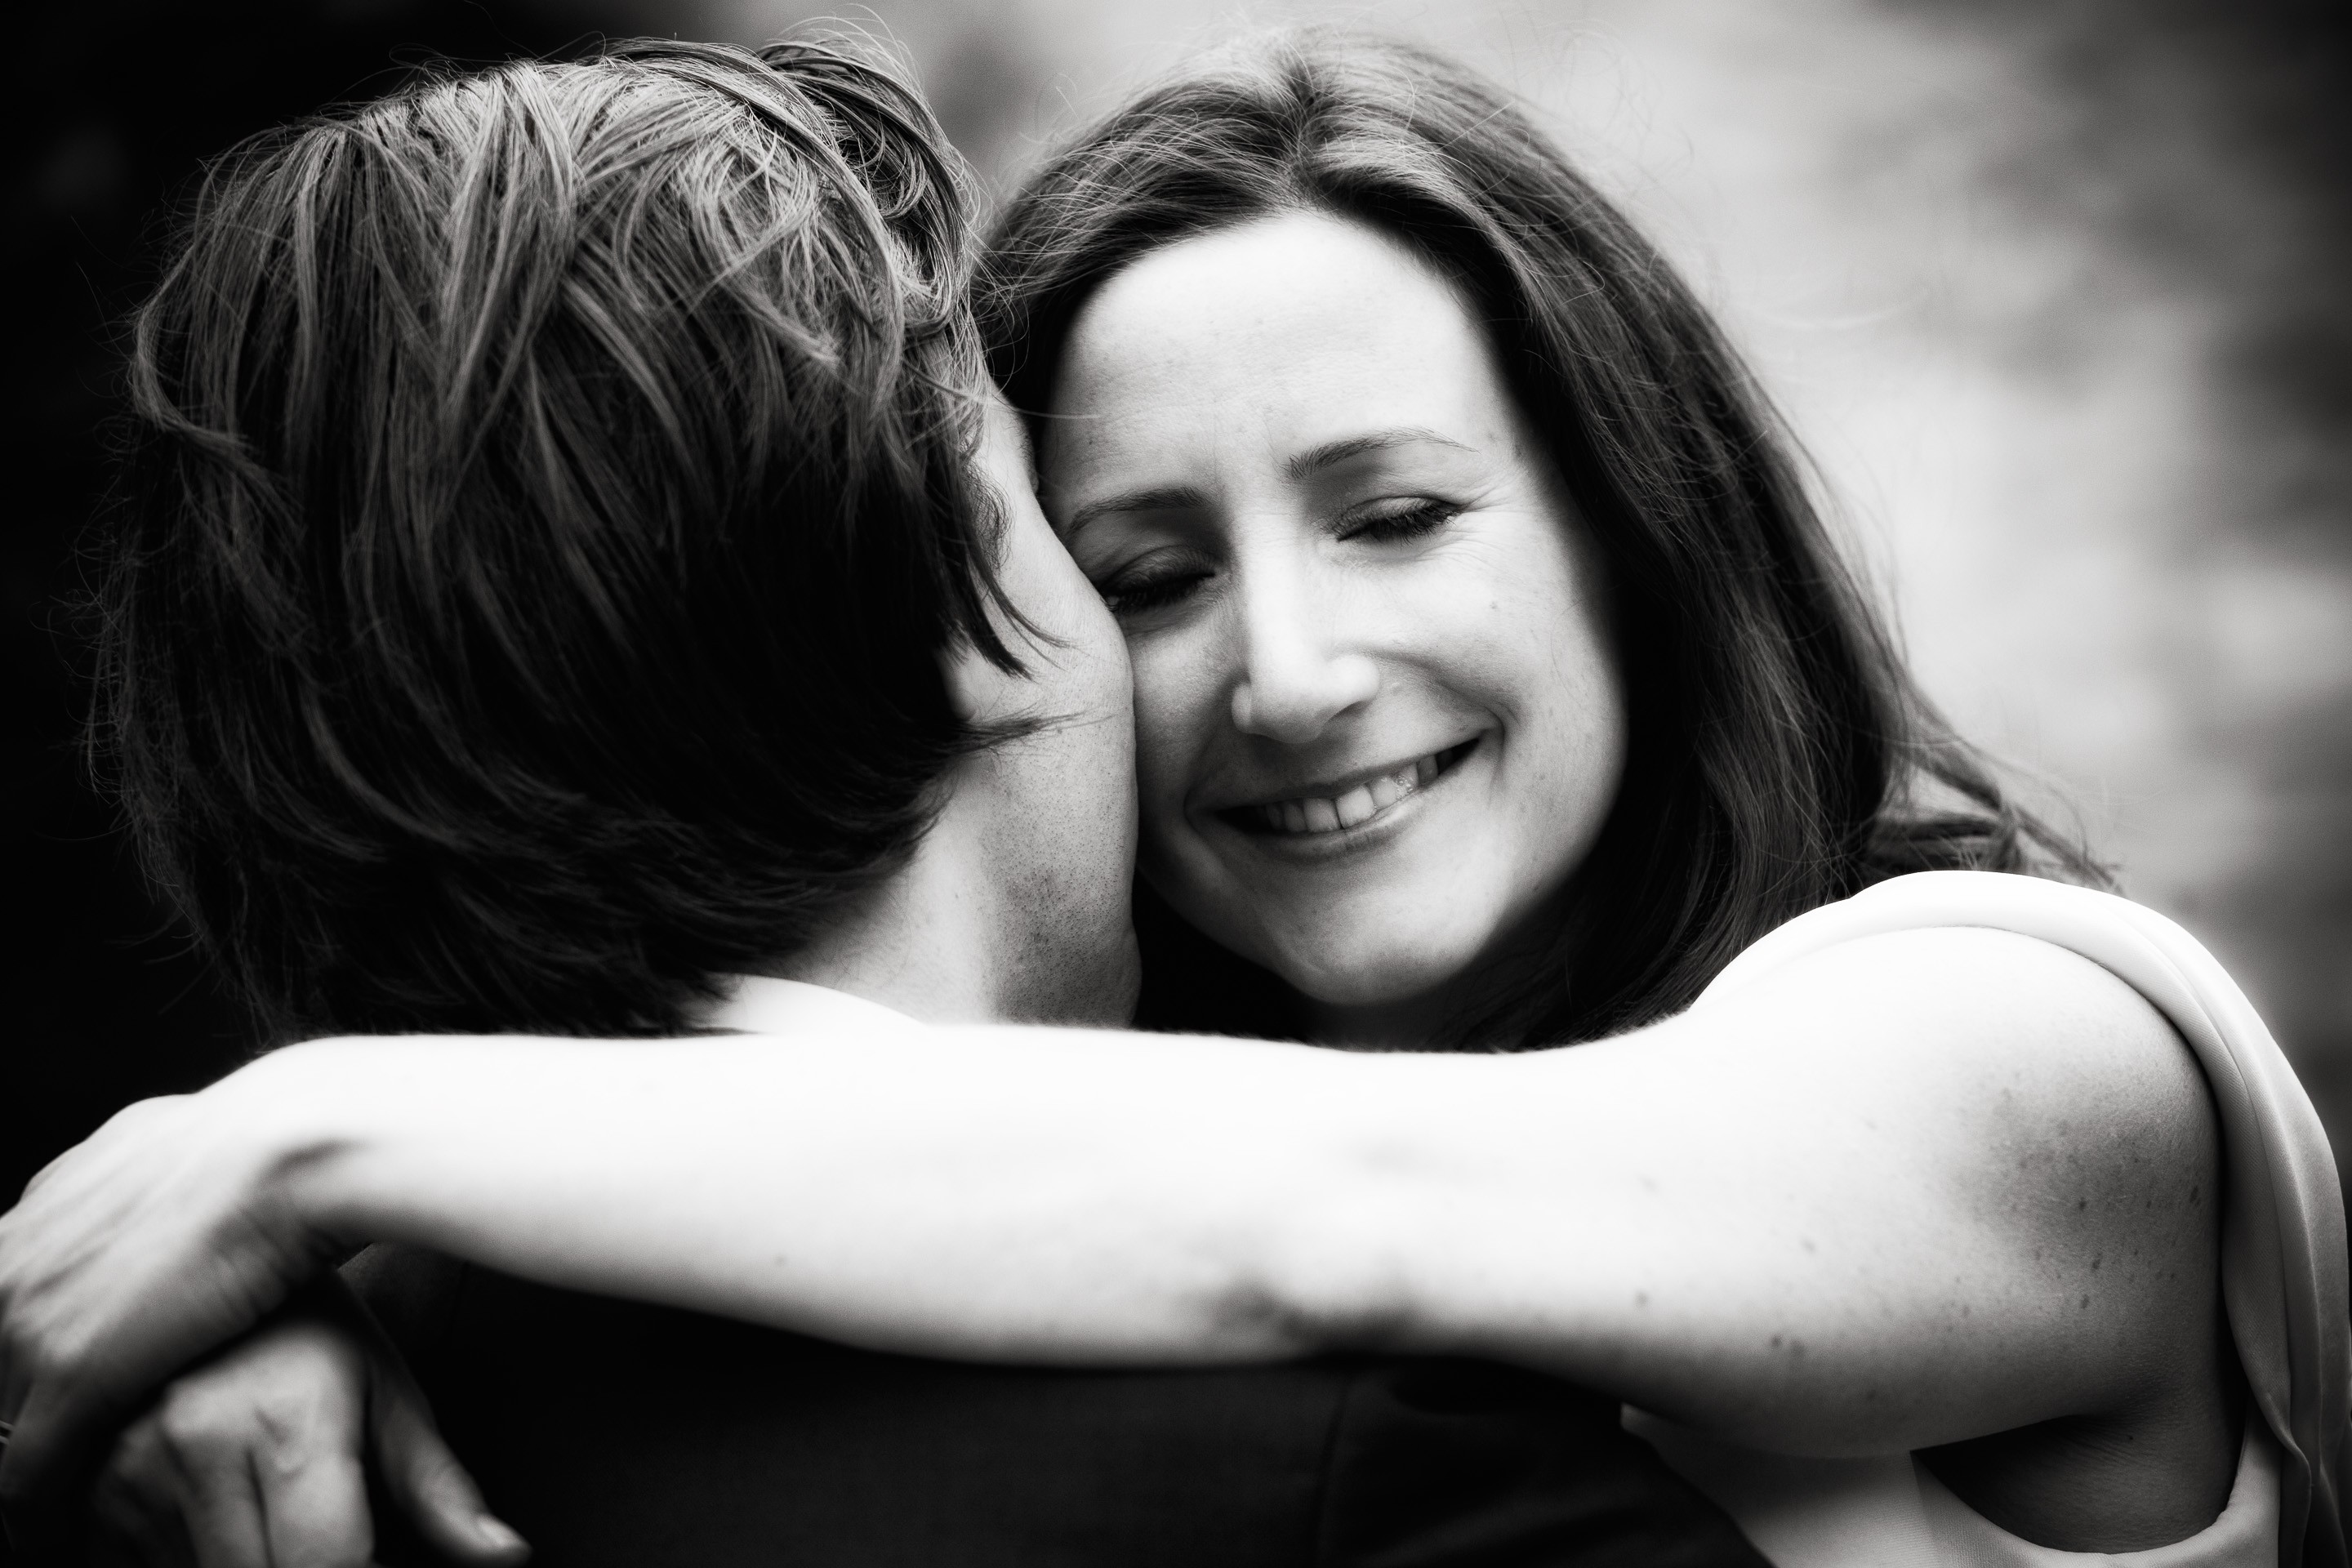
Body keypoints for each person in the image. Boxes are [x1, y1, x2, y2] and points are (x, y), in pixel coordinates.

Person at [4, 24, 2342, 1568]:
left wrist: (305, 1148)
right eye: (1143, 570)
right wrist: (277, 1313)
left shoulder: (2026, 1041)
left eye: (1398, 514)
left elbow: (1339, 1219)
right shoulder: (1082, 1176)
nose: (1294, 675)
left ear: (1640, 530)